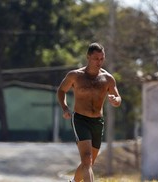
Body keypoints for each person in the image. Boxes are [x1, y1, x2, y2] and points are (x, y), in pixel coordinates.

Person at [57, 42, 122, 182]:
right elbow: (61, 90)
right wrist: (65, 108)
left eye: (101, 59)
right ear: (88, 57)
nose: (99, 62)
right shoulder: (75, 75)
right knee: (86, 160)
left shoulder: (108, 78)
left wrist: (115, 100)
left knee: (89, 163)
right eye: (95, 59)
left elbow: (117, 96)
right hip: (80, 119)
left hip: (98, 122)